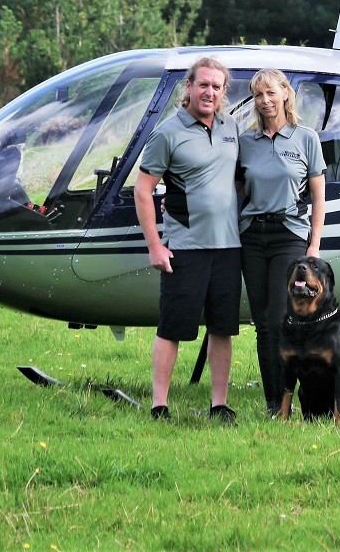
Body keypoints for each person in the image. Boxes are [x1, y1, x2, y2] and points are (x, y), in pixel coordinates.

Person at [135, 56, 242, 422]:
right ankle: (159, 405)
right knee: (172, 327)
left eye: (216, 86)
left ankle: (219, 404)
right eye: (203, 84)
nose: (209, 91)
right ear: (189, 87)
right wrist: (154, 245)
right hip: (185, 247)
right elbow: (143, 190)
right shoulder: (168, 132)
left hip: (229, 247)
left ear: (223, 91)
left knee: (222, 328)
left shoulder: (231, 128)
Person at [238, 68, 326, 416]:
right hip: (252, 237)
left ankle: (302, 399)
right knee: (263, 324)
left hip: (289, 236)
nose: (265, 101)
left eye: (271, 93)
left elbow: (319, 197)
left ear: (286, 94)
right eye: (258, 95)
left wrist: (314, 244)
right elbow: (228, 187)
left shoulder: (306, 138)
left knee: (281, 320)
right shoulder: (245, 142)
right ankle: (275, 405)